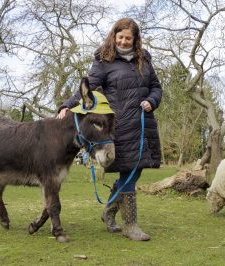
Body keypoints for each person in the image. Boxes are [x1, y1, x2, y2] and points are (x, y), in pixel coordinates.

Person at [57, 18, 162, 241]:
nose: (124, 41)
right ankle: (130, 225)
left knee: (135, 170)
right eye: (120, 37)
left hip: (143, 124)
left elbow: (156, 87)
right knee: (129, 173)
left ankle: (109, 211)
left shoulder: (145, 60)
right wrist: (67, 105)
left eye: (128, 38)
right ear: (114, 37)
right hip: (119, 126)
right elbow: (88, 86)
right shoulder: (104, 61)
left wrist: (152, 101)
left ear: (135, 40)